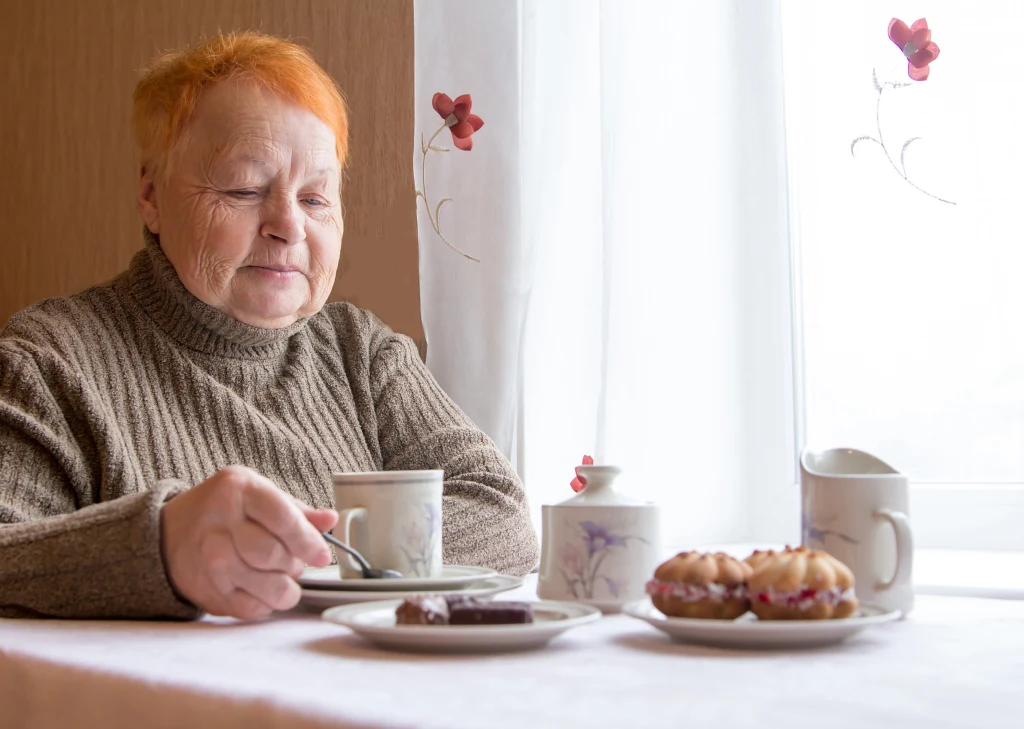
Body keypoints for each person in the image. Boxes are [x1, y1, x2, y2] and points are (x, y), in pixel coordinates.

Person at [0, 32, 539, 621]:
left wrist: (286, 556)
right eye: (245, 188)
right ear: (151, 194)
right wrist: (156, 548)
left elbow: (502, 517)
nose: (289, 226)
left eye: (314, 199)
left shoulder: (364, 351)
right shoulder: (47, 361)